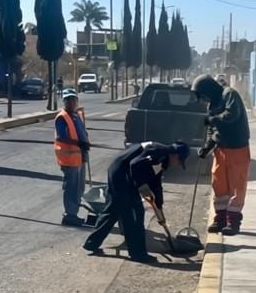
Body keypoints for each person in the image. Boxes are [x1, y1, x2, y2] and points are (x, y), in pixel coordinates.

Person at [83, 141, 189, 263]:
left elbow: (156, 182)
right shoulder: (158, 152)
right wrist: (142, 186)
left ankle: (91, 243)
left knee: (113, 210)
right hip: (122, 175)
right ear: (175, 155)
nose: (177, 165)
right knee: (134, 214)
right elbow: (134, 164)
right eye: (179, 162)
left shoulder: (163, 157)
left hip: (119, 172)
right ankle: (137, 253)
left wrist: (159, 204)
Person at [192, 74, 251, 236]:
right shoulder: (212, 104)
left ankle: (233, 221)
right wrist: (207, 147)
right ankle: (221, 219)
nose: (203, 99)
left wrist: (214, 119)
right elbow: (213, 131)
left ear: (208, 89)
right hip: (221, 149)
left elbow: (232, 114)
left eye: (202, 95)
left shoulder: (229, 94)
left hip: (237, 148)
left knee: (237, 185)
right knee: (219, 185)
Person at [55, 89, 89, 227]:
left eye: (73, 99)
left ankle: (73, 214)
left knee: (79, 188)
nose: (71, 102)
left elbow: (81, 133)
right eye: (68, 100)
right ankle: (69, 215)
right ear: (64, 101)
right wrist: (79, 143)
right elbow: (61, 137)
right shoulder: (62, 117)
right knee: (71, 188)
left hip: (79, 156)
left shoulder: (76, 115)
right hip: (69, 159)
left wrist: (85, 146)